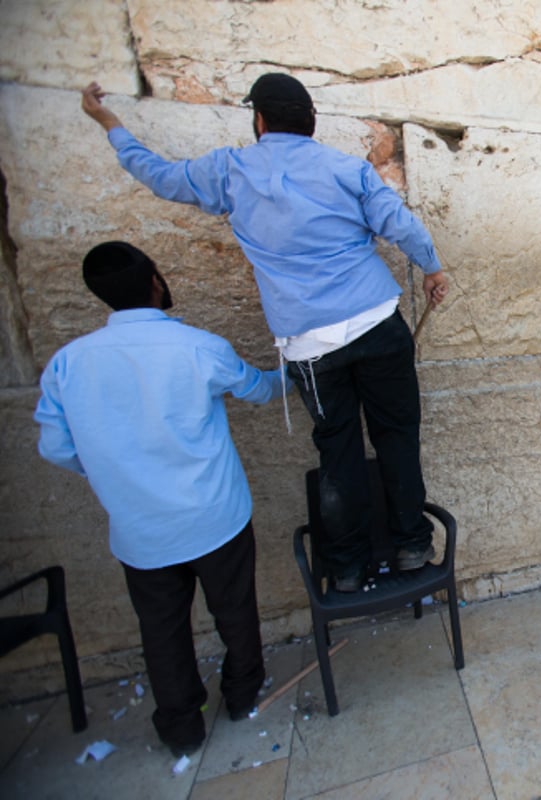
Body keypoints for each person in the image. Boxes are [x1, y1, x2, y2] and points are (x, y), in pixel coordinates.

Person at [80, 74, 450, 592]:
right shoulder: (345, 169)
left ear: (259, 120)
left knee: (337, 453)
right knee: (398, 438)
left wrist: (111, 124)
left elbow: (160, 176)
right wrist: (432, 269)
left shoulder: (231, 171)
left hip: (311, 348)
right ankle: (412, 546)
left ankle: (345, 568)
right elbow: (400, 224)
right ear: (311, 121)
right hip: (376, 322)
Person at [34, 242, 287, 758]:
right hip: (214, 515)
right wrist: (299, 371)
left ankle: (182, 727)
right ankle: (241, 694)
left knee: (162, 631)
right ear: (155, 281)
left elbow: (55, 447)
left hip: (141, 528)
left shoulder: (68, 365)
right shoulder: (197, 347)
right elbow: (259, 390)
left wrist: (114, 471)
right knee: (234, 610)